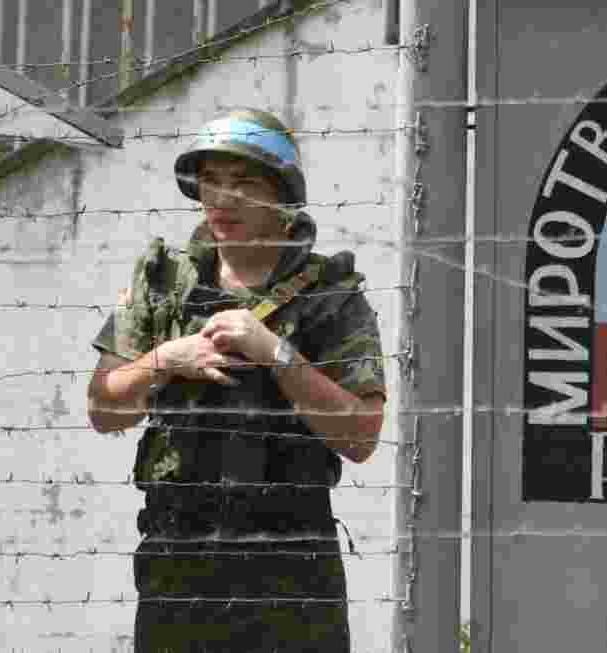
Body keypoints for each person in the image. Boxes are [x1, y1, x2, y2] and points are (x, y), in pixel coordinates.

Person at [86, 108, 387, 652]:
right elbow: (103, 408)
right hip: (178, 561)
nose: (223, 199)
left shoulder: (331, 296)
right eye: (211, 181)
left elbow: (362, 435)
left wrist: (274, 351)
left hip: (292, 571)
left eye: (245, 184)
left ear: (282, 196)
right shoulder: (164, 283)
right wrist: (166, 359)